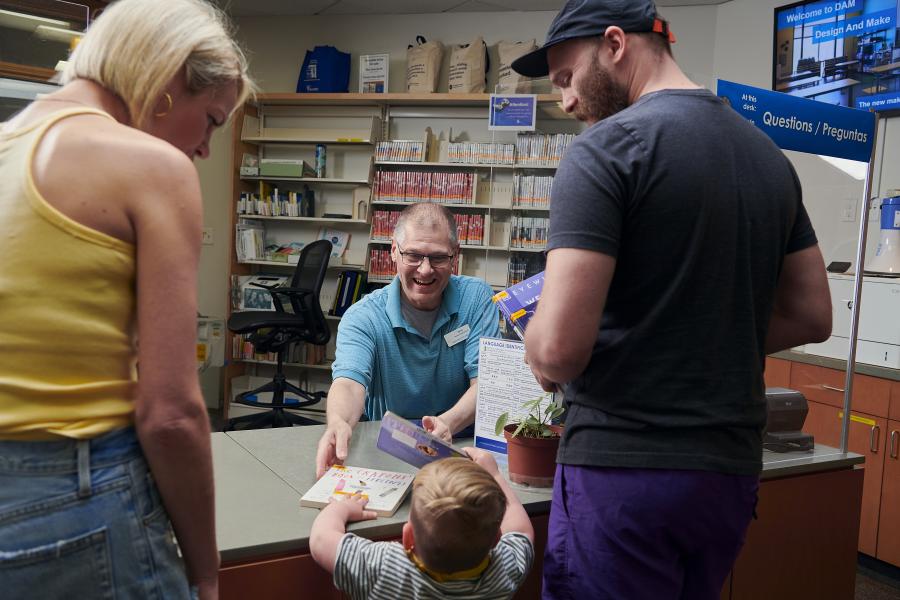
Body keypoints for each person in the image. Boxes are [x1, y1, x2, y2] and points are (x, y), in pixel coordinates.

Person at [511, 1, 832, 598]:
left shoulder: (604, 152)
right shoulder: (768, 157)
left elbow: (557, 353)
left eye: (566, 78)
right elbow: (812, 315)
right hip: (728, 473)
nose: (566, 100)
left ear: (614, 44)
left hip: (623, 472)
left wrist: (533, 331)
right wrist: (697, 326)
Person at [0, 1, 253, 598]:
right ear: (167, 82)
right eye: (213, 120)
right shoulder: (152, 167)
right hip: (78, 494)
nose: (206, 149)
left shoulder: (9, 142)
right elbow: (169, 414)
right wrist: (206, 574)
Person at [315, 203, 500, 477]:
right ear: (393, 251)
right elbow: (349, 383)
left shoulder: (476, 299)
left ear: (454, 257)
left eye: (438, 258)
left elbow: (486, 380)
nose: (425, 270)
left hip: (461, 450)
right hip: (387, 453)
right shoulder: (362, 317)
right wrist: (339, 423)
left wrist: (446, 424)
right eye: (413, 255)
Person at [309, 449, 534, 599]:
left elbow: (321, 540)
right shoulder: (504, 570)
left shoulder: (384, 567)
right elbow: (521, 528)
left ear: (407, 538)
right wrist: (494, 474)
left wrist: (341, 508)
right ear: (497, 538)